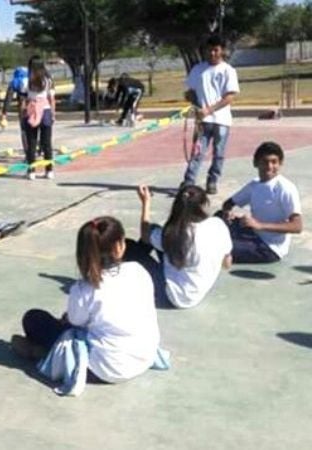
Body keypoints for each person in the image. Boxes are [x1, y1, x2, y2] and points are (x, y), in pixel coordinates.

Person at [11, 217, 160, 385]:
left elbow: (76, 322)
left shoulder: (84, 288)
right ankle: (43, 352)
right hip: (144, 356)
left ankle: (42, 354)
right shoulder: (138, 270)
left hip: (104, 369)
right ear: (119, 247)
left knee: (33, 318)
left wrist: (67, 320)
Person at [130, 184, 232, 309]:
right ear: (203, 204)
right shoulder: (218, 224)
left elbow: (145, 234)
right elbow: (227, 264)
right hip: (198, 291)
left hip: (173, 297)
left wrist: (146, 203)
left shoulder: (176, 234)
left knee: (130, 247)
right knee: (156, 231)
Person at [219, 142, 303, 264]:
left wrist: (259, 225)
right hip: (252, 234)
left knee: (218, 246)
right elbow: (228, 204)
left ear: (280, 164)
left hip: (269, 248)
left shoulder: (285, 188)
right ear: (255, 163)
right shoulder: (254, 185)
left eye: (274, 162)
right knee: (219, 217)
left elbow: (297, 226)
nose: (269, 166)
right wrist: (228, 213)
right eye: (265, 161)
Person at [182, 35, 240, 195]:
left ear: (222, 51)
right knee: (197, 152)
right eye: (209, 50)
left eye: (216, 50)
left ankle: (212, 180)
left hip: (222, 121)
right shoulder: (197, 70)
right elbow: (190, 92)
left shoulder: (228, 70)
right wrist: (195, 105)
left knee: (219, 153)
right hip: (202, 121)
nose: (212, 53)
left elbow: (230, 97)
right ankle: (188, 181)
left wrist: (209, 109)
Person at [21, 55, 56, 181]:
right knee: (47, 143)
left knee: (31, 143)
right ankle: (49, 170)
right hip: (46, 111)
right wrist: (53, 113)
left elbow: (24, 99)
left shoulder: (26, 82)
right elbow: (51, 99)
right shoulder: (48, 81)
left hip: (32, 112)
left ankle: (31, 171)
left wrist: (23, 113)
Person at [0, 66, 29, 156]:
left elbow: (8, 98)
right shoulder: (33, 78)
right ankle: (40, 148)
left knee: (24, 130)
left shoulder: (15, 81)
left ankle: (28, 153)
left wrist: (4, 113)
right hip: (36, 106)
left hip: (23, 106)